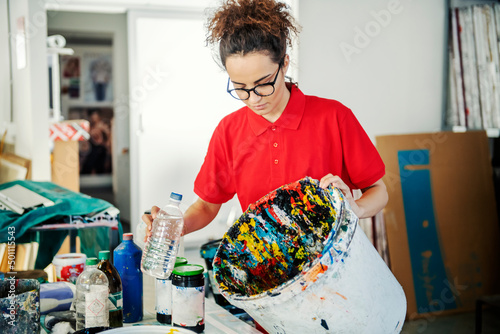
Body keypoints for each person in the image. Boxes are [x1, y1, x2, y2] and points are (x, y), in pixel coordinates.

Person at [143, 0, 388, 238]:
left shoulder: (334, 117)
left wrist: (356, 208)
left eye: (263, 84)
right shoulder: (229, 131)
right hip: (265, 270)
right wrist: (176, 226)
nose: (253, 98)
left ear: (284, 65)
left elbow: (378, 191)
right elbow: (207, 206)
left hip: (334, 265)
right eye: (240, 87)